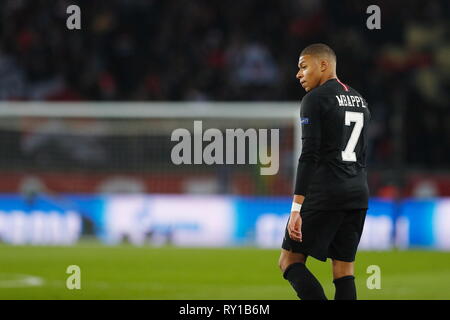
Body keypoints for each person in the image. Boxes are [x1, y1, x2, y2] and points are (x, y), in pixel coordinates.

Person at [278, 43, 370, 300]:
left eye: (303, 67)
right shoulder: (360, 100)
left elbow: (309, 155)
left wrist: (296, 209)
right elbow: (363, 154)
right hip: (357, 193)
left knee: (289, 261)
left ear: (323, 65)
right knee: (343, 271)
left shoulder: (314, 100)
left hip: (326, 193)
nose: (299, 74)